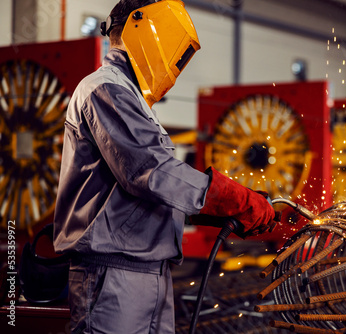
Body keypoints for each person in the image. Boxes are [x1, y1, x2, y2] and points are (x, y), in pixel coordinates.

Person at [53, 1, 278, 333]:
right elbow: (151, 171)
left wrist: (218, 211)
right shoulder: (105, 89)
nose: (176, 62)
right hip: (112, 274)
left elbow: (148, 194)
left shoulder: (131, 97)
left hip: (150, 271)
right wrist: (235, 198)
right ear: (142, 27)